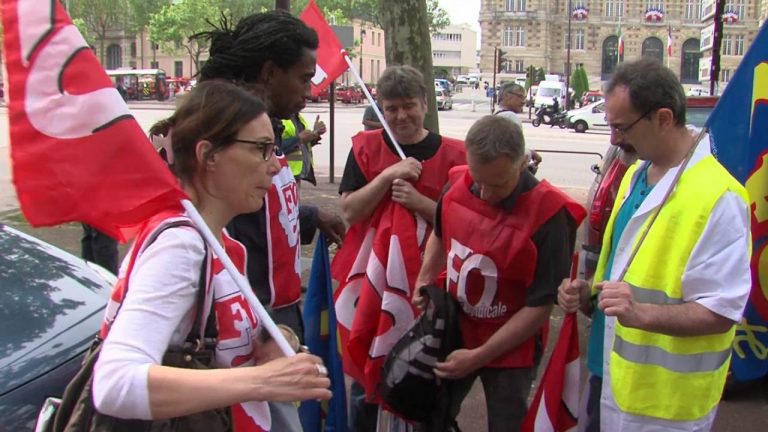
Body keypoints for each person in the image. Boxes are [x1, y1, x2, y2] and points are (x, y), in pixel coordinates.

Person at [92, 81, 331, 431]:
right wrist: (265, 380)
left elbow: (219, 345)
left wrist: (277, 340)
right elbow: (115, 383)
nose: (275, 166)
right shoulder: (180, 247)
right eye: (262, 149)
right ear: (209, 156)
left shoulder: (221, 243)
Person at [558, 57, 750, 432]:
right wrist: (587, 296)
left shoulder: (721, 197)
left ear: (663, 118)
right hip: (608, 376)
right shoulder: (634, 175)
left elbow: (723, 311)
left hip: (664, 408)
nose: (613, 139)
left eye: (621, 126)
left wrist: (641, 314)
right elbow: (623, 274)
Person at [412, 115, 584, 431]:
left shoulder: (551, 215)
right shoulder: (458, 181)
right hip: (454, 326)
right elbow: (440, 230)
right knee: (430, 414)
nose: (486, 194)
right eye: (480, 181)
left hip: (510, 347)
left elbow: (540, 307)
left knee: (507, 423)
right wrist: (425, 278)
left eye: (498, 184)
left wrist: (478, 356)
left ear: (523, 164)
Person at [193, 11, 345, 339]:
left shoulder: (264, 128)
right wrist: (260, 333)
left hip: (277, 315)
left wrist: (311, 215)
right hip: (253, 327)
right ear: (269, 73)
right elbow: (223, 234)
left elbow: (258, 216)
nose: (310, 91)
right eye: (304, 78)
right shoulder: (230, 141)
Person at [335, 65, 467, 431]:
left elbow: (467, 225)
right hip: (371, 282)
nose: (400, 116)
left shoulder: (456, 155)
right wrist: (387, 175)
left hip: (430, 284)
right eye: (390, 108)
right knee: (366, 375)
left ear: (426, 103)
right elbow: (350, 211)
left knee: (423, 376)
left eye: (408, 105)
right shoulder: (365, 149)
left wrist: (420, 203)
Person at [494, 82, 542, 172]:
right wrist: (531, 153)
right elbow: (515, 151)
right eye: (520, 97)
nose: (523, 101)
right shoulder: (511, 117)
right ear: (506, 96)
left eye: (524, 98)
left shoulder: (497, 115)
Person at [281, 112, 325, 186]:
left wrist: (315, 134)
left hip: (296, 176)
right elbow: (273, 147)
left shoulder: (298, 118)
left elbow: (303, 145)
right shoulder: (277, 118)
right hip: (283, 175)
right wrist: (298, 139)